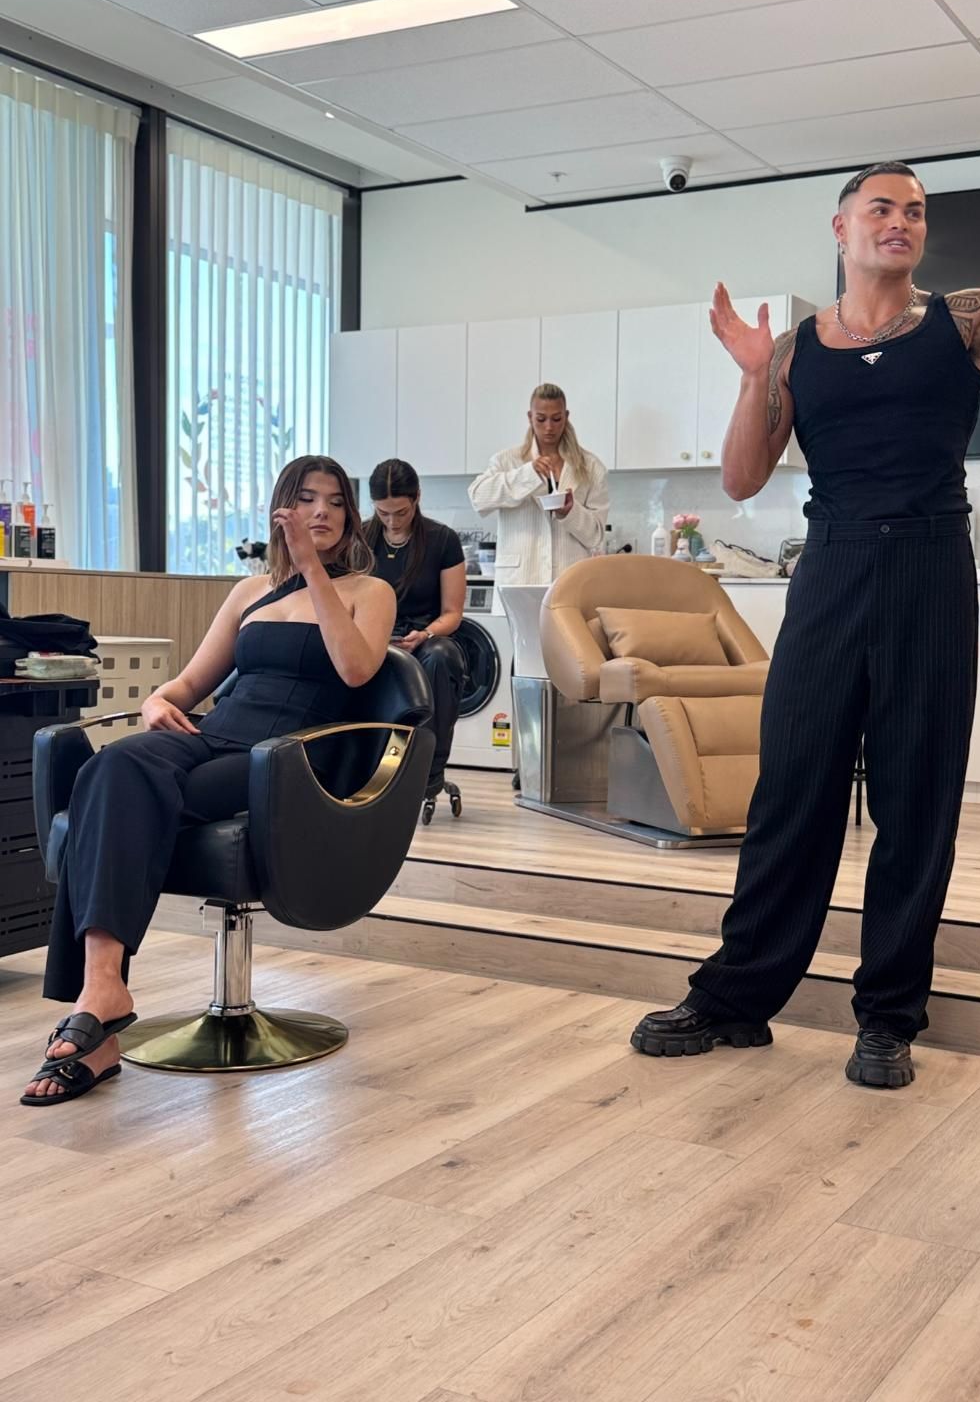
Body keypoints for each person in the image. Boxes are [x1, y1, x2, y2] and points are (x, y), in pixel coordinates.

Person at [632, 90, 980, 1088]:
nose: (901, 222)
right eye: (882, 207)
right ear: (841, 227)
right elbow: (743, 479)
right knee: (791, 791)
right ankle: (735, 995)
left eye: (916, 210)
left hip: (931, 565)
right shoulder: (795, 351)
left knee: (915, 801)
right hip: (834, 564)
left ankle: (888, 1013)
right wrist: (756, 376)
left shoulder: (965, 323)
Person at [21, 456, 395, 1106]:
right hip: (213, 734)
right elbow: (192, 683)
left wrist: (313, 572)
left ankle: (95, 1016)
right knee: (111, 766)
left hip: (282, 760)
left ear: (349, 516)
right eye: (307, 499)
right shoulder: (249, 593)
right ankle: (102, 990)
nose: (322, 512)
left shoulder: (368, 591)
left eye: (335, 501)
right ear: (283, 510)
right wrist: (155, 702)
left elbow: (359, 670)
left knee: (121, 800)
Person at [364, 458, 467, 801]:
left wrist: (425, 635)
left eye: (401, 513)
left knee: (440, 657)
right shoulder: (359, 538)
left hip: (424, 639)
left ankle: (428, 774)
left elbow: (453, 613)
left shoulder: (443, 540)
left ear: (417, 498)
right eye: (383, 513)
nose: (392, 522)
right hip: (371, 638)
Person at [468, 382, 609, 596]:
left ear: (567, 416)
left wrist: (570, 512)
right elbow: (478, 498)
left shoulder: (591, 467)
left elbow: (596, 536)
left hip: (569, 579)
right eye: (541, 419)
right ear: (530, 417)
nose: (549, 427)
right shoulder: (507, 461)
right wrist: (527, 475)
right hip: (520, 580)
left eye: (556, 419)